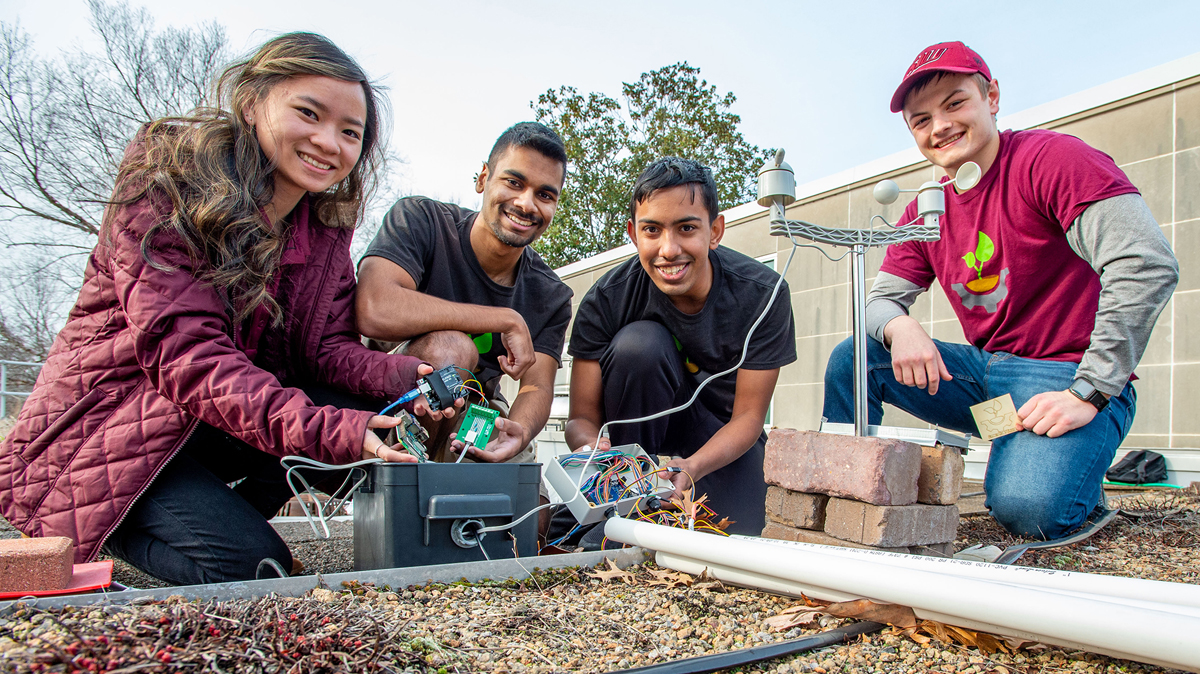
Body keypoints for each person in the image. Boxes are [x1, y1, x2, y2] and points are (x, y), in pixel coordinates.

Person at [0, 33, 451, 585]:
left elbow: (326, 350)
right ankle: (115, 519)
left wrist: (410, 375)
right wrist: (330, 429)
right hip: (114, 429)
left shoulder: (322, 231)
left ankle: (212, 512)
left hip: (208, 425)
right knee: (253, 568)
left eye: (350, 132)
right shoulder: (168, 185)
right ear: (251, 103)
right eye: (308, 113)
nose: (328, 142)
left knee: (357, 412)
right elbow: (189, 358)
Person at [822, 42, 1179, 540]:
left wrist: (1091, 390)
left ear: (991, 97)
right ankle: (838, 494)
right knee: (855, 358)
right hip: (990, 386)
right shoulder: (927, 210)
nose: (939, 126)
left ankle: (1073, 461)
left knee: (1027, 511)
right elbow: (877, 303)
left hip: (1065, 378)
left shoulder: (1053, 160)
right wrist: (899, 325)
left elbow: (1146, 263)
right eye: (921, 120)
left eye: (954, 103)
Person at [565, 157, 796, 535]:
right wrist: (595, 449)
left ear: (715, 231)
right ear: (633, 233)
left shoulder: (763, 295)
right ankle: (625, 500)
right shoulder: (606, 299)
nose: (669, 249)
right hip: (633, 435)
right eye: (652, 230)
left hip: (719, 435)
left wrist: (692, 467)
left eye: (686, 228)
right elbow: (581, 418)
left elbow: (749, 418)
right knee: (640, 344)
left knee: (741, 544)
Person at [356, 122, 572, 464]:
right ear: (483, 178)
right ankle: (405, 479)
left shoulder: (551, 294)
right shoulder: (421, 220)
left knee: (529, 509)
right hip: (388, 399)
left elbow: (537, 386)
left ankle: (460, 488)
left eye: (545, 195)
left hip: (476, 410)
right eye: (514, 182)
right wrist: (504, 319)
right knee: (451, 350)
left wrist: (517, 430)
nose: (526, 203)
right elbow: (374, 309)